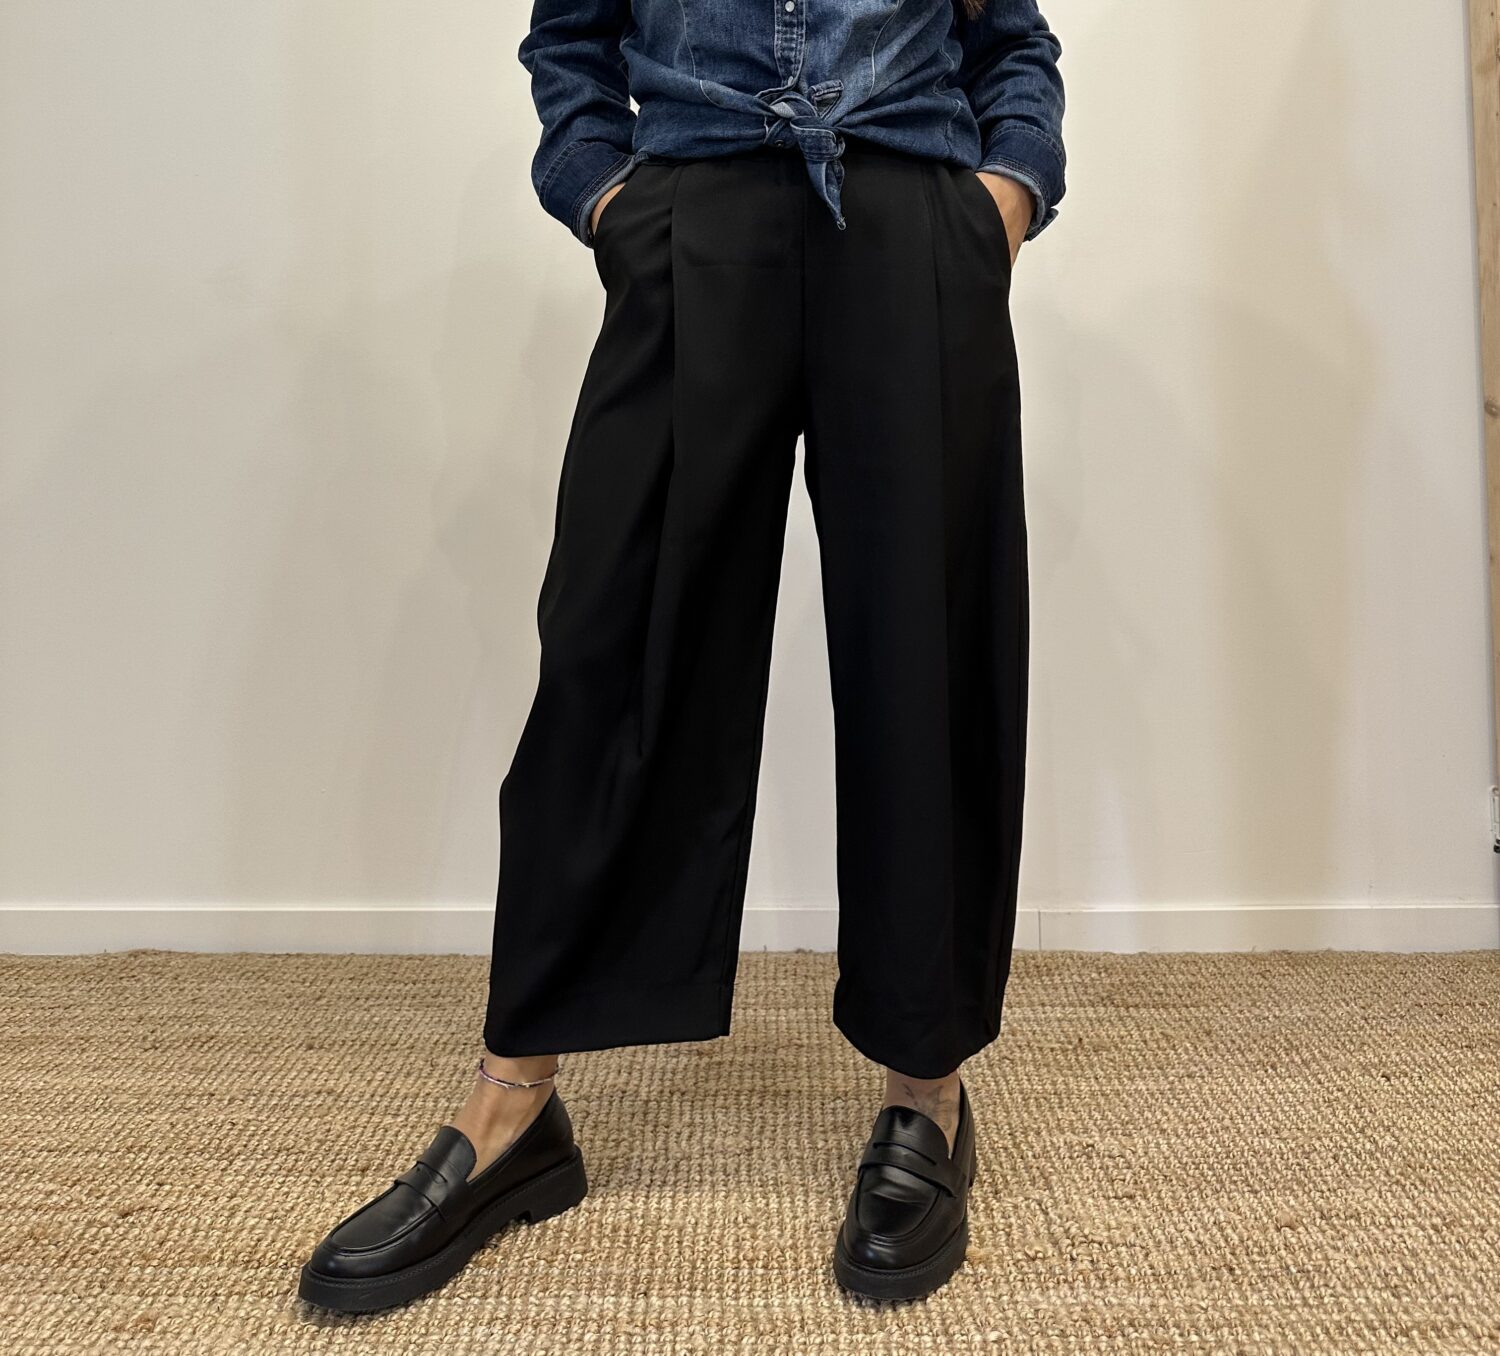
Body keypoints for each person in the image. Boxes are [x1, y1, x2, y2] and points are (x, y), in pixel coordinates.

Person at [299, 0, 1065, 1312]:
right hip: (694, 212)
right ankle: (514, 1102)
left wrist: (1002, 198)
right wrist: (612, 203)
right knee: (608, 647)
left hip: (912, 216)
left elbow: (1011, 42)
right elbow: (571, 43)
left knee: (926, 657)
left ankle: (926, 1091)